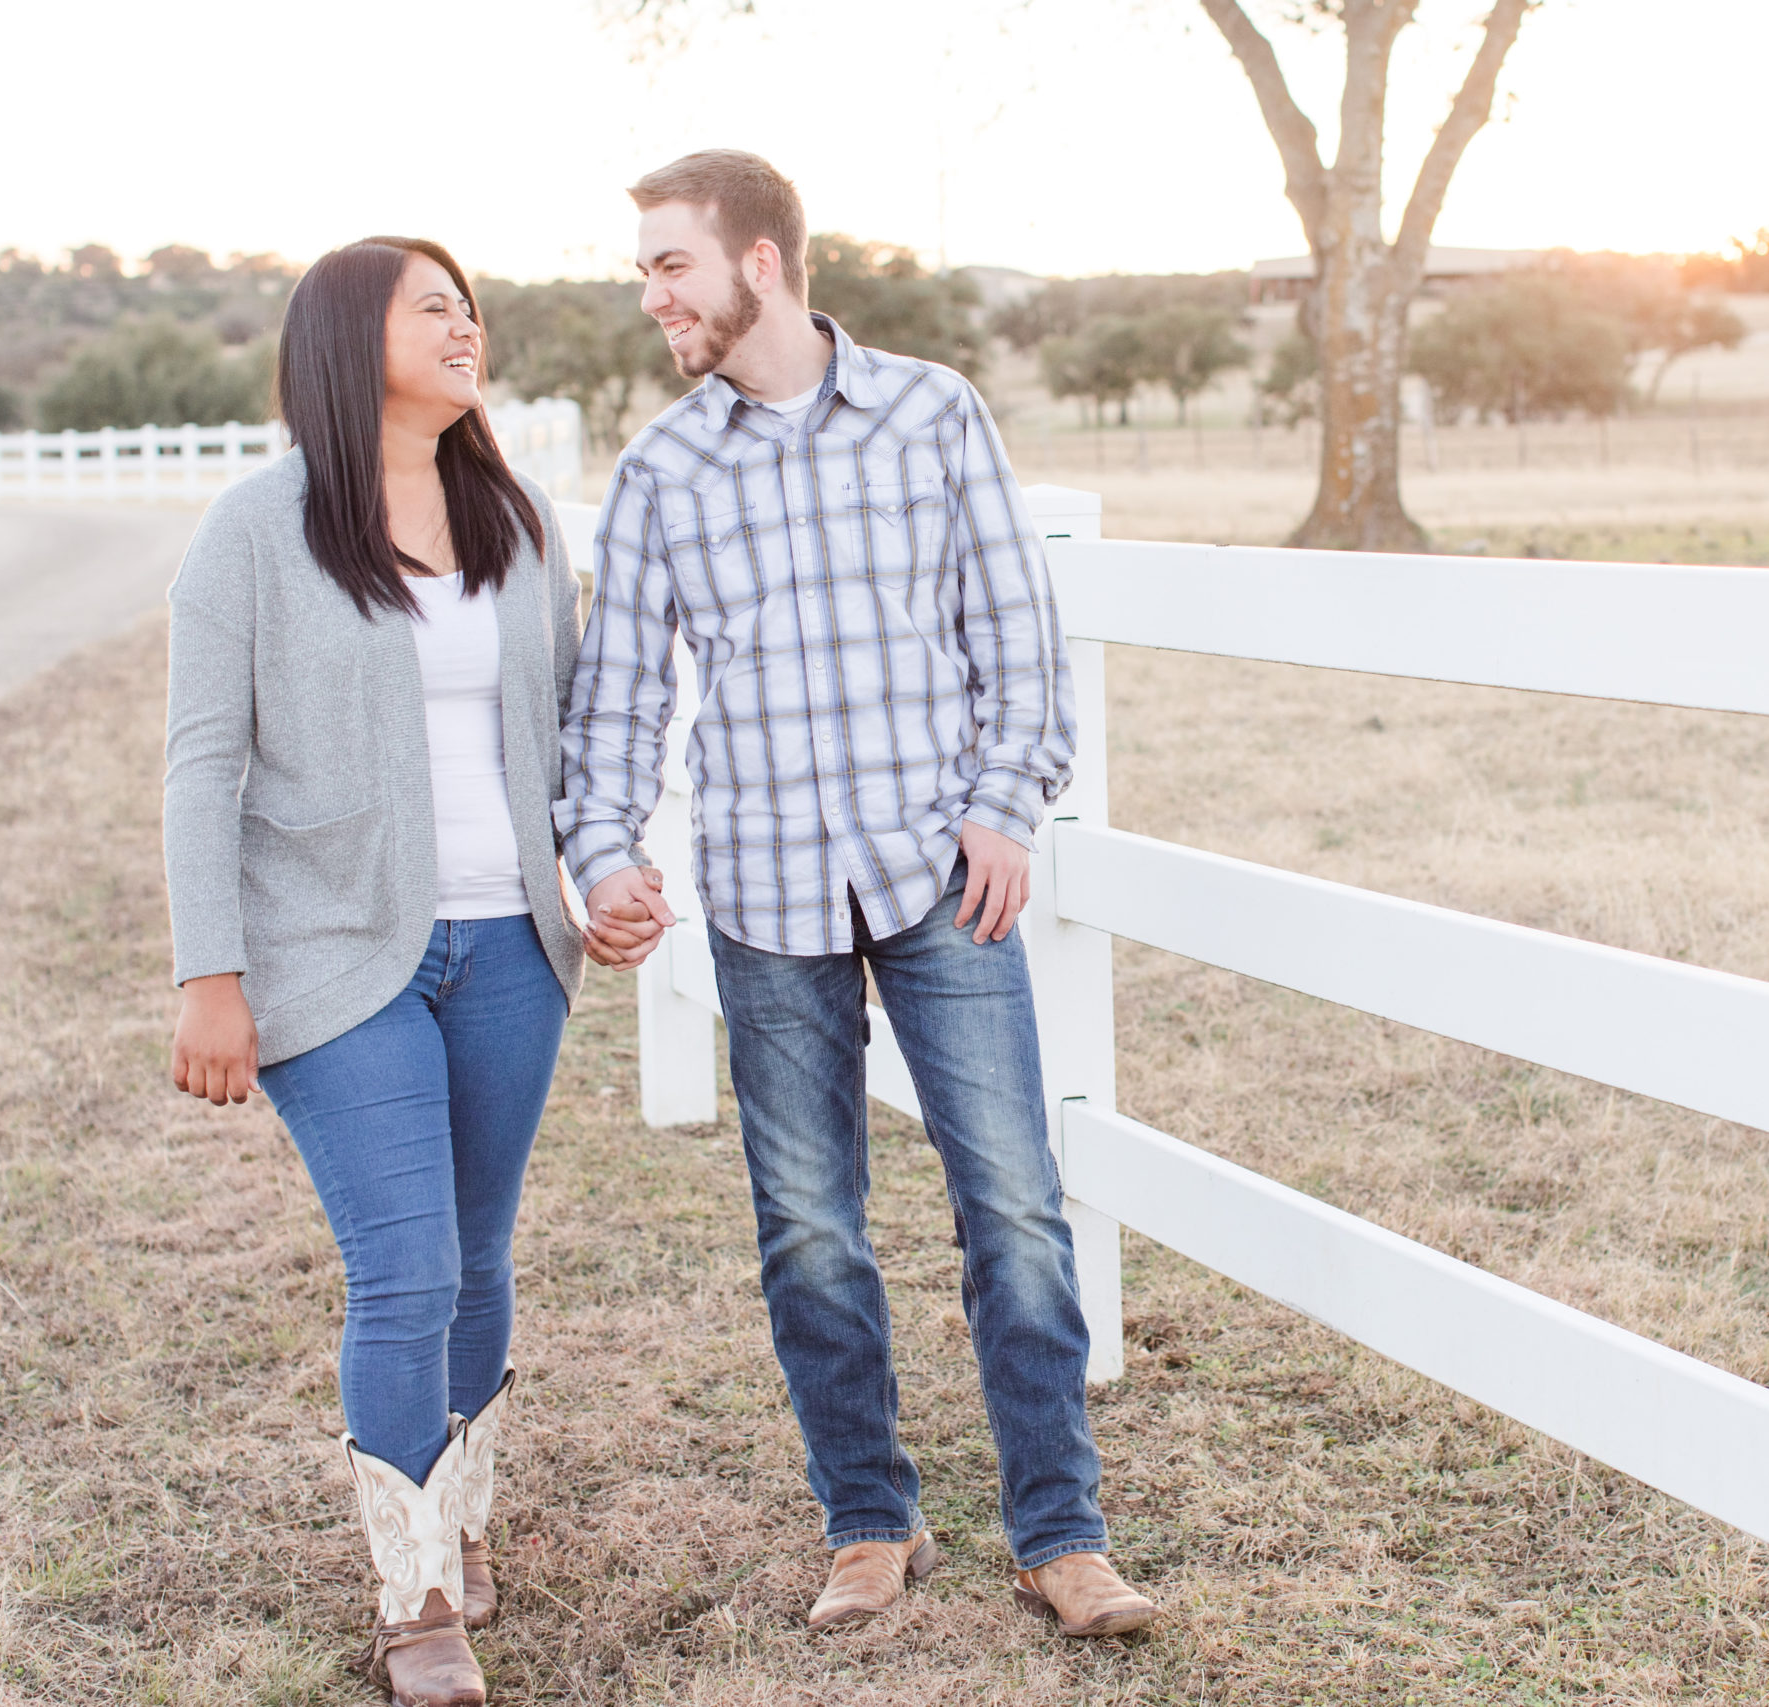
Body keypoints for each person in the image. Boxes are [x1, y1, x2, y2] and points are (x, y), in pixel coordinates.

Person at [556, 150, 1158, 1639]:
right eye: (644, 272)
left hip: (938, 878)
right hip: (763, 893)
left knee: (1013, 1206)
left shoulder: (932, 411)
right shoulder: (665, 471)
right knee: (811, 1225)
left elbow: (1013, 632)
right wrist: (605, 850)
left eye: (669, 266)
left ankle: (1060, 1534)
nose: (651, 299)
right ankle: (869, 1523)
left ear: (760, 263)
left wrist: (1005, 807)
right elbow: (618, 698)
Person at [163, 236, 635, 1706]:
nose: (464, 326)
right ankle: (413, 1593)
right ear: (345, 334)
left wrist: (601, 875)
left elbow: (573, 733)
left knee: (480, 1258)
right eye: (431, 306)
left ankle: (463, 1522)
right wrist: (208, 974)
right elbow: (200, 766)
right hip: (331, 951)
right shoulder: (256, 529)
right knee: (405, 1267)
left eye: (469, 306)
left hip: (509, 943)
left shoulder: (518, 513)